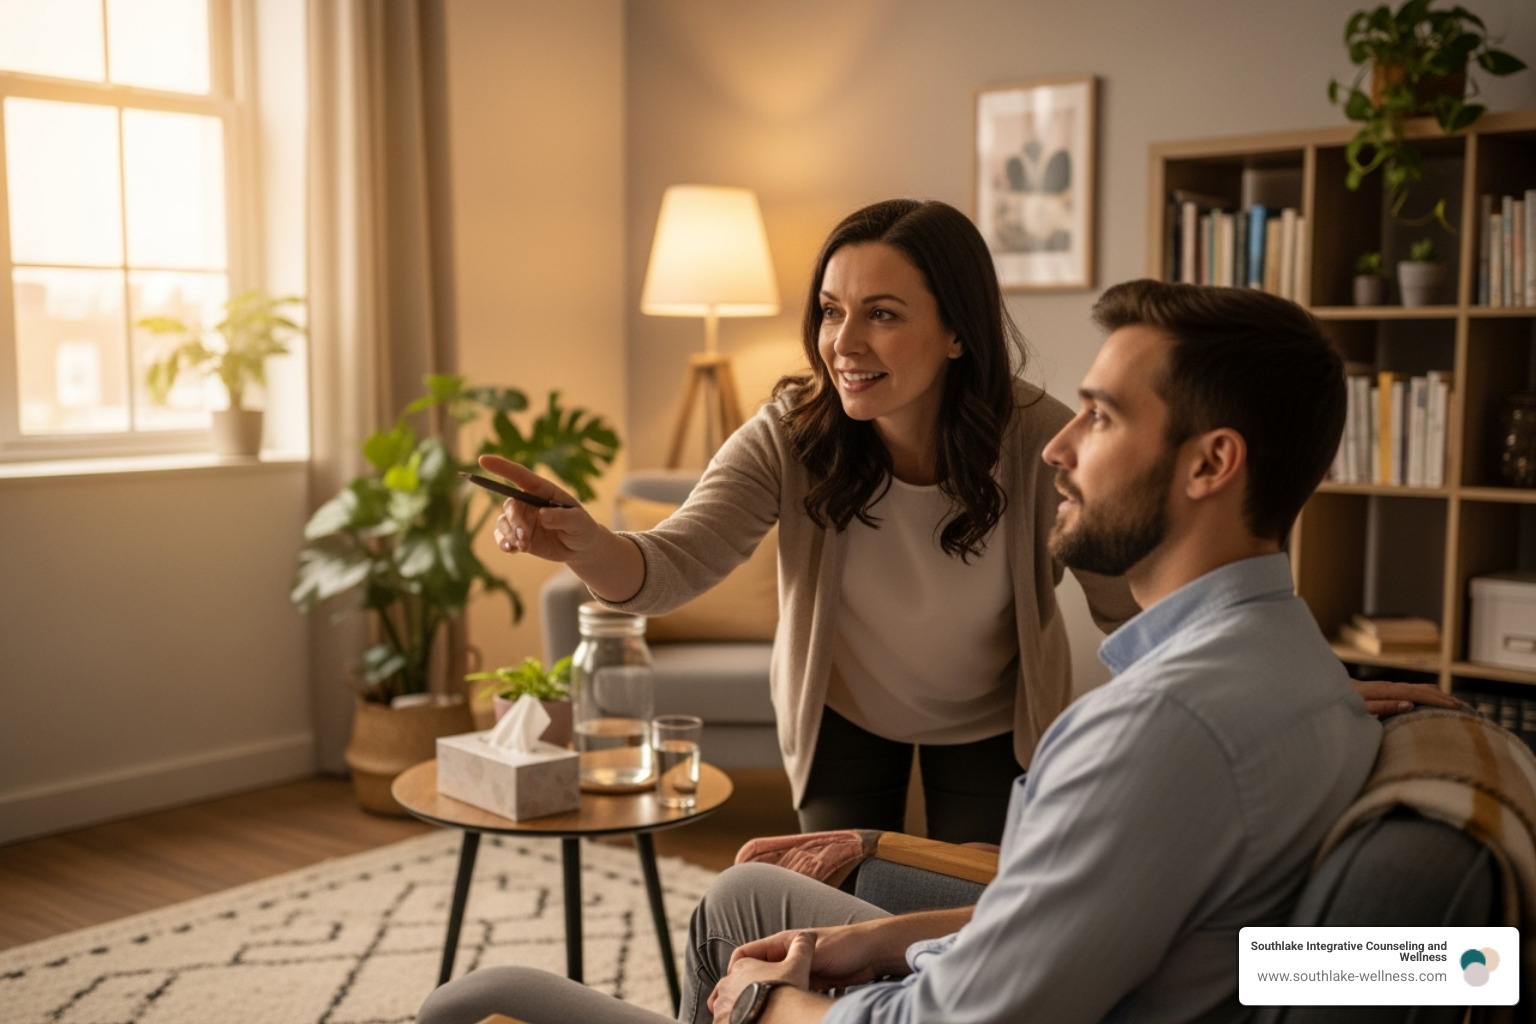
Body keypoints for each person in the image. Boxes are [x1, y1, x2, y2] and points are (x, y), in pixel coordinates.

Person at [418, 279, 1390, 1024]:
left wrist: (772, 1002)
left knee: (474, 999)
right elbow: (1176, 939)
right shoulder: (1300, 668)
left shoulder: (1155, 728)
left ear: (1212, 462)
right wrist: (879, 937)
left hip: (988, 786)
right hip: (883, 749)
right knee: (753, 894)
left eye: (1100, 417)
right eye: (832, 310)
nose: (1063, 447)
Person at [481, 198, 1139, 845]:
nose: (843, 344)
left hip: (998, 722)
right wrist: (584, 542)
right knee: (839, 919)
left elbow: (1130, 610)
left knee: (970, 925)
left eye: (881, 314)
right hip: (841, 715)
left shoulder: (1043, 441)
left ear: (957, 332)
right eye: (831, 312)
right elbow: (670, 567)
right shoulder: (791, 435)